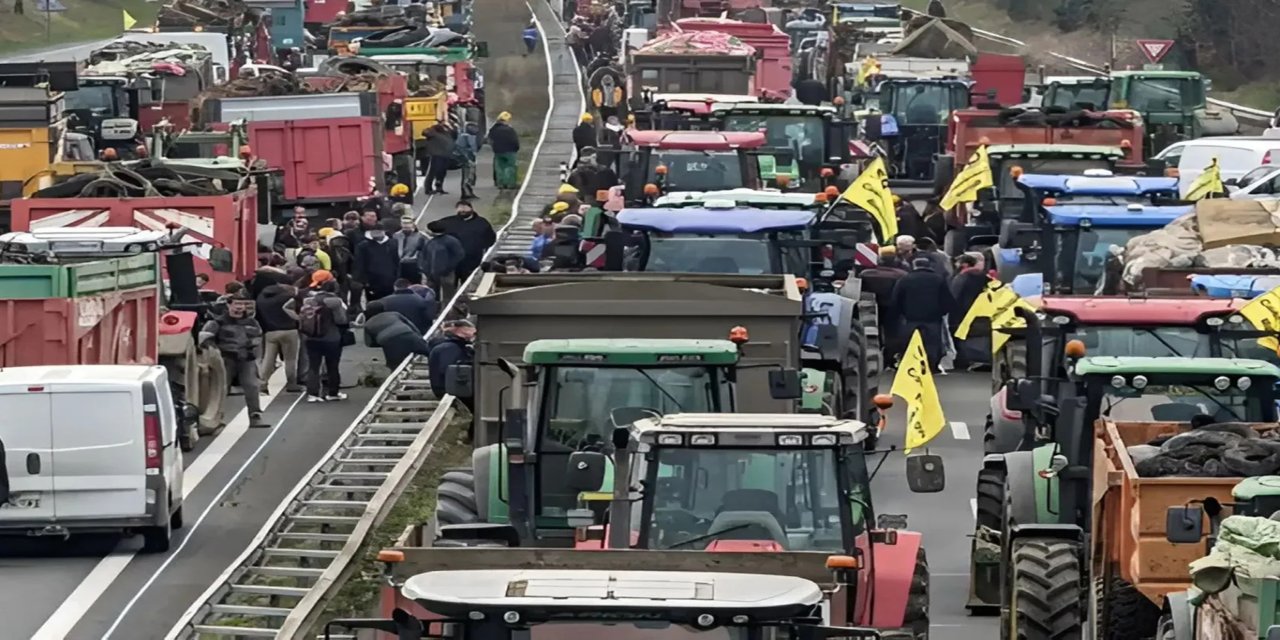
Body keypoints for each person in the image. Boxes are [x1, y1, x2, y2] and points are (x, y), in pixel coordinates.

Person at [199, 294, 270, 428]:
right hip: (225, 360)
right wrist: (215, 352)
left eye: (243, 304)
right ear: (229, 305)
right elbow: (204, 338)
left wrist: (252, 348)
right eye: (237, 304)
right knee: (220, 389)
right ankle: (214, 419)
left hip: (246, 359)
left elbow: (259, 337)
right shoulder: (218, 321)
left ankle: (255, 416)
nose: (240, 307)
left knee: (252, 387)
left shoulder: (252, 322)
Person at [889, 257, 955, 373]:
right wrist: (942, 312)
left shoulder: (905, 279)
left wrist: (898, 314)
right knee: (932, 343)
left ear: (914, 266)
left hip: (911, 318)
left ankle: (911, 365)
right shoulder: (938, 279)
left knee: (910, 342)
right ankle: (931, 366)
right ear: (929, 266)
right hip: (933, 318)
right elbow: (947, 299)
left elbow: (896, 299)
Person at [291, 278, 349, 402]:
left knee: (313, 366)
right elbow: (341, 320)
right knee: (332, 366)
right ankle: (332, 393)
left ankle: (312, 394)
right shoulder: (335, 301)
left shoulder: (309, 300)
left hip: (311, 337)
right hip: (331, 338)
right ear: (335, 288)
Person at [257, 278, 304, 393]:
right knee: (290, 359)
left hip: (270, 331)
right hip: (289, 330)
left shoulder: (261, 298)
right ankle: (292, 384)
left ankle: (262, 384)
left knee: (268, 359)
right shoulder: (286, 297)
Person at [859, 248, 908, 351]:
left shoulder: (866, 274)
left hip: (871, 308)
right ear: (895, 261)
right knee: (893, 333)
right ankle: (890, 354)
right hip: (894, 308)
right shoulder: (902, 275)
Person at [950, 252, 992, 371]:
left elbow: (954, 296)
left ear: (965, 265)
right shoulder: (987, 278)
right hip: (983, 313)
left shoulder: (961, 278)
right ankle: (983, 360)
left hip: (962, 314)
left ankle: (963, 361)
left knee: (961, 336)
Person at [436, 200, 497, 280]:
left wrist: (480, 247)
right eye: (460, 209)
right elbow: (434, 231)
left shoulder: (482, 223)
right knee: (449, 286)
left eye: (465, 208)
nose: (463, 211)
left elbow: (490, 238)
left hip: (472, 260)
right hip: (452, 261)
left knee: (468, 281)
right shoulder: (448, 222)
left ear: (471, 209)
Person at [363, 300, 435, 368]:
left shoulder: (368, 324)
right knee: (429, 352)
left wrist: (380, 341)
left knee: (394, 365)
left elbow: (369, 344)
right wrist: (419, 337)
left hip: (388, 341)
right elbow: (411, 325)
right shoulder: (394, 314)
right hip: (407, 333)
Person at [428, 319, 476, 411]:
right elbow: (449, 370)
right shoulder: (450, 348)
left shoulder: (450, 346)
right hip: (451, 390)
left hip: (447, 388)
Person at [355, 222, 401, 301]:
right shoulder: (363, 246)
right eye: (373, 232)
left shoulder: (393, 243)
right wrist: (364, 280)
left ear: (383, 231)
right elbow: (360, 264)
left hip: (390, 280)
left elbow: (397, 261)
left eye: (377, 232)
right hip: (372, 281)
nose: (375, 234)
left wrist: (397, 276)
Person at [420, 220, 465, 298]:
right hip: (431, 275)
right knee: (432, 295)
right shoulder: (431, 241)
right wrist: (425, 270)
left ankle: (447, 308)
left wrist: (448, 268)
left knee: (447, 294)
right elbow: (424, 256)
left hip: (446, 275)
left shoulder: (450, 241)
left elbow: (459, 255)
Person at [487, 112, 521, 190]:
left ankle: (501, 184)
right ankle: (510, 184)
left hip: (498, 152)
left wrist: (494, 148)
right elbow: (515, 141)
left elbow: (489, 140)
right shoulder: (510, 130)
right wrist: (516, 148)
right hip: (510, 151)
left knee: (500, 168)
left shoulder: (493, 129)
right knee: (510, 168)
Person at [423, 123, 457, 194]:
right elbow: (425, 132)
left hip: (445, 155)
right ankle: (428, 188)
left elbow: (455, 135)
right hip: (436, 155)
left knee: (441, 172)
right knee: (432, 172)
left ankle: (439, 187)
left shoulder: (447, 133)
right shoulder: (433, 133)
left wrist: (449, 127)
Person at [394, 217, 428, 283]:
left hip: (414, 265)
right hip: (399, 265)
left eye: (408, 223)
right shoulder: (396, 235)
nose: (406, 225)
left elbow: (425, 250)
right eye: (404, 223)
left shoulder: (421, 236)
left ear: (412, 224)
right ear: (401, 224)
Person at [455, 122, 480, 200]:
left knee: (466, 176)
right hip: (468, 159)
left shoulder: (462, 136)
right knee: (468, 176)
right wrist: (470, 159)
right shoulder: (469, 137)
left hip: (464, 158)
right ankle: (467, 193)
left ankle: (467, 192)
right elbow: (472, 149)